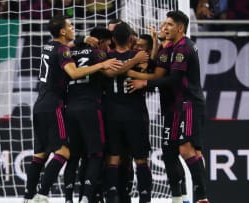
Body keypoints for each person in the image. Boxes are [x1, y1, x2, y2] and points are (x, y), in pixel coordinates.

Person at [22, 15, 122, 203]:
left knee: (40, 155)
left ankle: (27, 197)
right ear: (62, 31)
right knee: (64, 153)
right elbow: (74, 73)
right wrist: (101, 64)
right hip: (54, 106)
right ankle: (42, 195)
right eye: (70, 25)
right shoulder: (64, 51)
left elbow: (69, 47)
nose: (73, 27)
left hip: (39, 105)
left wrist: (82, 39)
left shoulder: (48, 46)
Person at [128, 10, 210, 203]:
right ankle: (177, 199)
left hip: (188, 104)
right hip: (172, 108)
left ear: (180, 28)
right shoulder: (168, 49)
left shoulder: (183, 48)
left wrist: (144, 84)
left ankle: (202, 197)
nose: (164, 27)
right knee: (169, 153)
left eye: (169, 25)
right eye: (163, 24)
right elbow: (157, 69)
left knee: (187, 150)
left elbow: (172, 79)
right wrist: (156, 44)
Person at [63, 26, 113, 203]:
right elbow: (110, 74)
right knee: (96, 154)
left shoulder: (69, 51)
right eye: (108, 43)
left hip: (70, 108)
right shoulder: (99, 54)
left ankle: (68, 199)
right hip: (91, 108)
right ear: (100, 41)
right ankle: (85, 198)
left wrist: (80, 39)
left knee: (74, 155)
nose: (109, 46)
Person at [103, 22, 152, 203]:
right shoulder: (140, 56)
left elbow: (109, 73)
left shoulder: (106, 57)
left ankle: (113, 197)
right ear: (132, 39)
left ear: (113, 39)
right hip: (136, 113)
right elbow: (151, 73)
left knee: (113, 158)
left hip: (112, 113)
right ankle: (145, 198)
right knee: (140, 159)